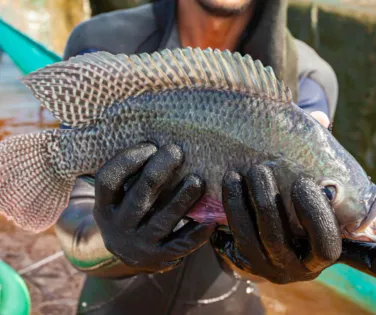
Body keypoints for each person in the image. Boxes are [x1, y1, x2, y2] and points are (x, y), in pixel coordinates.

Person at [55, 0, 342, 314]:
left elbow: (304, 217)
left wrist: (283, 258)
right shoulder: (104, 41)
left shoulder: (308, 79)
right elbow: (64, 202)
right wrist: (109, 241)